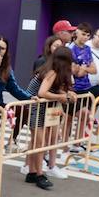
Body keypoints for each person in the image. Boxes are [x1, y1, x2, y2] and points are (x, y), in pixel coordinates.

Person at [24, 46, 72, 189]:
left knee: (36, 142)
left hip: (36, 106)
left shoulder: (50, 70)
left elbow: (50, 90)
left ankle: (32, 172)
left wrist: (64, 94)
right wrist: (62, 97)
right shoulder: (51, 72)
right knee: (39, 143)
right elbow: (43, 92)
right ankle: (39, 174)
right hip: (35, 107)